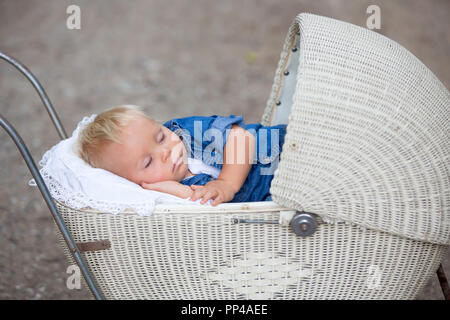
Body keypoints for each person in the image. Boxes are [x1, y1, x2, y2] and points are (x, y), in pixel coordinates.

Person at [78, 105, 287, 206]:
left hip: (284, 149)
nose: (165, 152)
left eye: (160, 137)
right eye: (149, 161)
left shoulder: (185, 132)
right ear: (133, 183)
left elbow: (240, 138)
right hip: (281, 194)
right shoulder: (163, 196)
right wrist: (180, 192)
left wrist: (226, 184)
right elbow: (211, 214)